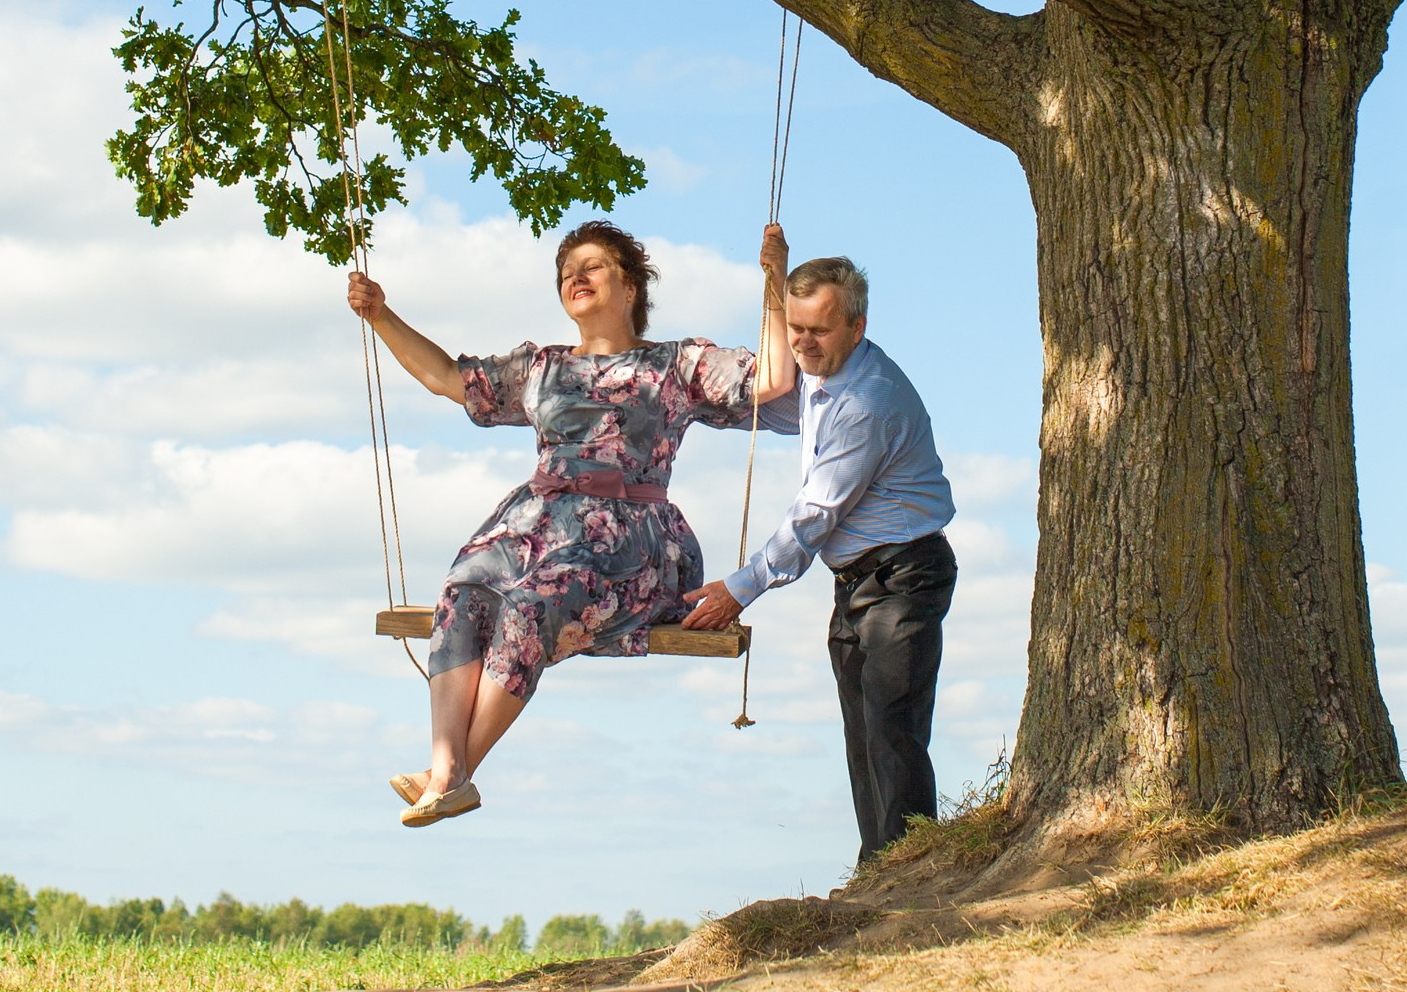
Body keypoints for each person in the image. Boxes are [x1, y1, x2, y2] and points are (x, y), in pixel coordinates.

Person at [346, 218, 795, 827]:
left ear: (631, 286)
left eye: (591, 267)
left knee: (532, 606)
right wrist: (380, 315)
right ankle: (444, 766)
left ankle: (453, 776)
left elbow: (772, 380)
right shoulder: (541, 367)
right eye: (565, 273)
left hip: (625, 537)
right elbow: (446, 378)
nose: (574, 278)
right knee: (463, 594)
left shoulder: (675, 365)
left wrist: (776, 281)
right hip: (532, 525)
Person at [682, 250, 956, 866]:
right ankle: (879, 870)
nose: (803, 343)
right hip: (856, 582)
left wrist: (740, 588)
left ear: (857, 328)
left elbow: (815, 514)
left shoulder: (866, 402)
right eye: (796, 329)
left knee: (893, 730)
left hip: (905, 575)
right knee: (863, 737)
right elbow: (770, 404)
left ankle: (911, 875)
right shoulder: (822, 377)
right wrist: (685, 403)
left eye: (819, 331)